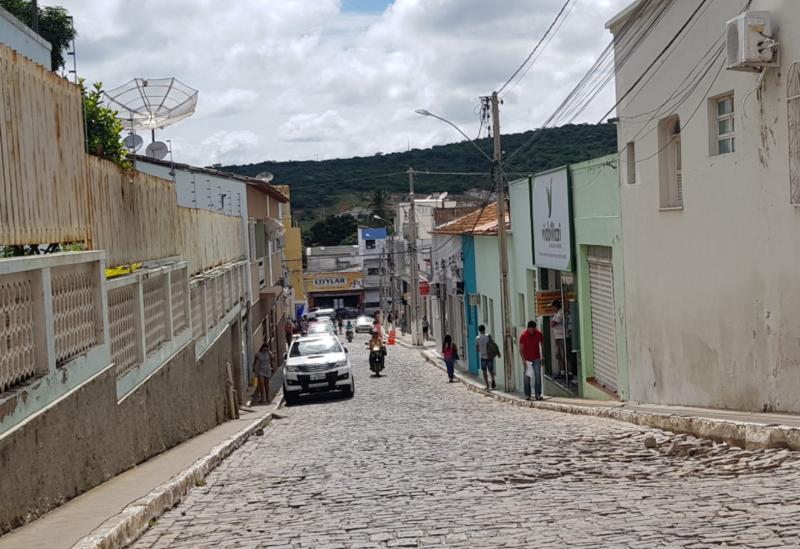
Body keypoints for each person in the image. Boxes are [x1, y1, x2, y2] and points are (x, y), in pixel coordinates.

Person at [519, 320, 545, 401]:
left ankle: (538, 394)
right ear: (528, 328)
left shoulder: (538, 334)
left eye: (534, 329)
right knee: (527, 377)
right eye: (531, 330)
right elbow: (521, 349)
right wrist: (523, 360)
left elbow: (542, 344)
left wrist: (543, 356)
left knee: (538, 376)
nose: (532, 331)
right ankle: (527, 394)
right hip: (527, 360)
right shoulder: (523, 335)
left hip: (536, 358)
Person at [476, 325, 497, 390]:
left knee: (484, 371)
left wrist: (481, 349)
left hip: (483, 356)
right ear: (484, 329)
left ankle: (487, 385)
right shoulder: (488, 336)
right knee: (491, 370)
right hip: (489, 356)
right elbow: (493, 344)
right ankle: (493, 379)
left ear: (479, 330)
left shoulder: (477, 338)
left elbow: (477, 348)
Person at [551, 300, 566, 377]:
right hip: (558, 337)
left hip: (562, 337)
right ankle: (561, 371)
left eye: (553, 307)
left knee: (564, 355)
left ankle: (565, 372)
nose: (552, 309)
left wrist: (553, 321)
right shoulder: (556, 314)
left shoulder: (560, 313)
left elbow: (553, 324)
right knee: (559, 355)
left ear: (556, 306)